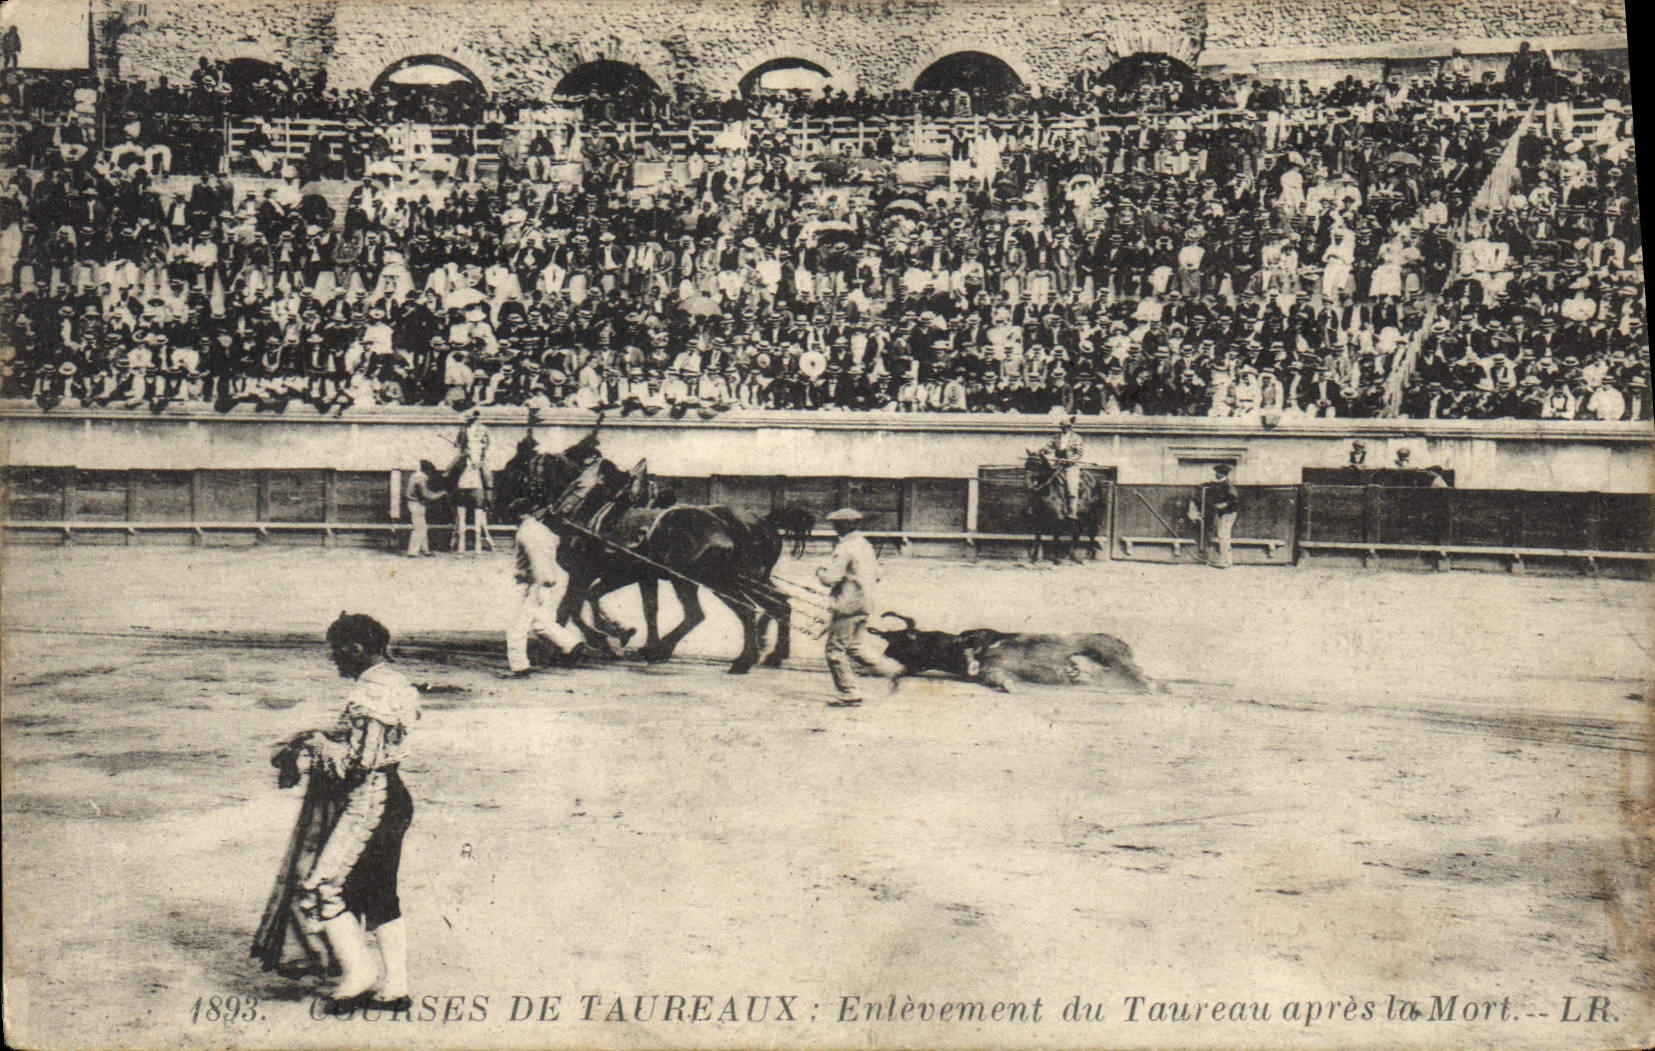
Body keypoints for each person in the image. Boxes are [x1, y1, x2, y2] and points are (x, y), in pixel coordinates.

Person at [253, 613, 419, 1013]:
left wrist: (312, 745)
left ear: (355, 649)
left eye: (336, 651)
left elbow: (358, 764)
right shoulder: (394, 681)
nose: (334, 660)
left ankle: (359, 976)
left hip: (369, 802)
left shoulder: (370, 694)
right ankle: (395, 987)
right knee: (379, 892)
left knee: (322, 889)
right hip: (393, 795)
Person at [816, 507, 904, 707]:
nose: (835, 529)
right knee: (855, 648)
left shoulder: (844, 548)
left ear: (846, 525)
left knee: (834, 651)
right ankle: (892, 669)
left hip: (847, 606)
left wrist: (820, 572)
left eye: (837, 525)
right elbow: (878, 574)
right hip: (865, 605)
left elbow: (831, 579)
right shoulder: (865, 545)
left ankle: (850, 693)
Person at [501, 500, 586, 679]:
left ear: (519, 515)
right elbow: (555, 542)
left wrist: (541, 583)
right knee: (541, 622)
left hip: (536, 583)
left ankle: (519, 666)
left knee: (517, 625)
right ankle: (570, 644)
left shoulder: (526, 533)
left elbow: (537, 561)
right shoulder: (542, 529)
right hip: (552, 579)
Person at [1039, 415, 1085, 519]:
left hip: (1070, 466)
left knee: (1071, 488)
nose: (1064, 429)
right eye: (1062, 427)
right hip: (1058, 465)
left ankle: (1072, 512)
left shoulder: (1076, 438)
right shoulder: (1056, 437)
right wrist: (1043, 450)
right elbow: (1049, 445)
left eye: (1066, 427)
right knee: (1046, 481)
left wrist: (1071, 460)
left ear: (1070, 427)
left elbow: (1079, 452)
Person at [403, 459, 447, 557]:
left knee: (422, 527)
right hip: (416, 504)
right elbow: (426, 495)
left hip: (414, 503)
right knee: (419, 528)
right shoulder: (421, 477)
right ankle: (412, 552)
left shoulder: (414, 475)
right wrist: (441, 493)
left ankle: (425, 550)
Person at [1203, 464, 1241, 569]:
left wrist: (1223, 505)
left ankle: (1226, 561)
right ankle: (1226, 560)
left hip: (1229, 513)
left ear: (1222, 474)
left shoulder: (1228, 485)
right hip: (1225, 513)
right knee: (1223, 536)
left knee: (1223, 536)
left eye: (1218, 473)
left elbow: (1234, 499)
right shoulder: (1221, 483)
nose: (1216, 474)